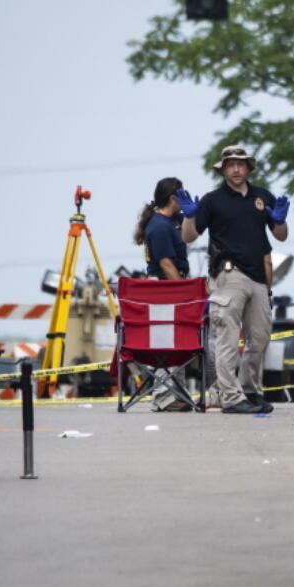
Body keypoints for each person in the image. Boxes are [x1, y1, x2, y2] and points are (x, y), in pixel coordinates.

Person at [176, 145, 289, 414]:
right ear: (223, 169)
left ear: (249, 167)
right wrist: (190, 216)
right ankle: (230, 396)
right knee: (227, 337)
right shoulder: (213, 200)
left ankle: (250, 390)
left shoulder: (262, 196)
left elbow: (281, 236)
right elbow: (188, 237)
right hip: (229, 274)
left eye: (241, 164)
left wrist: (280, 220)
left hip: (260, 276)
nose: (236, 169)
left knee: (260, 338)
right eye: (230, 165)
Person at [134, 176, 193, 412]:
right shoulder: (159, 227)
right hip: (164, 288)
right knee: (164, 344)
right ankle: (163, 396)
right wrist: (183, 290)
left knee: (176, 343)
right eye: (182, 195)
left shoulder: (170, 221)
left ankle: (176, 393)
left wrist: (192, 214)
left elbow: (191, 229)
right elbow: (166, 263)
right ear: (172, 198)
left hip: (168, 287)